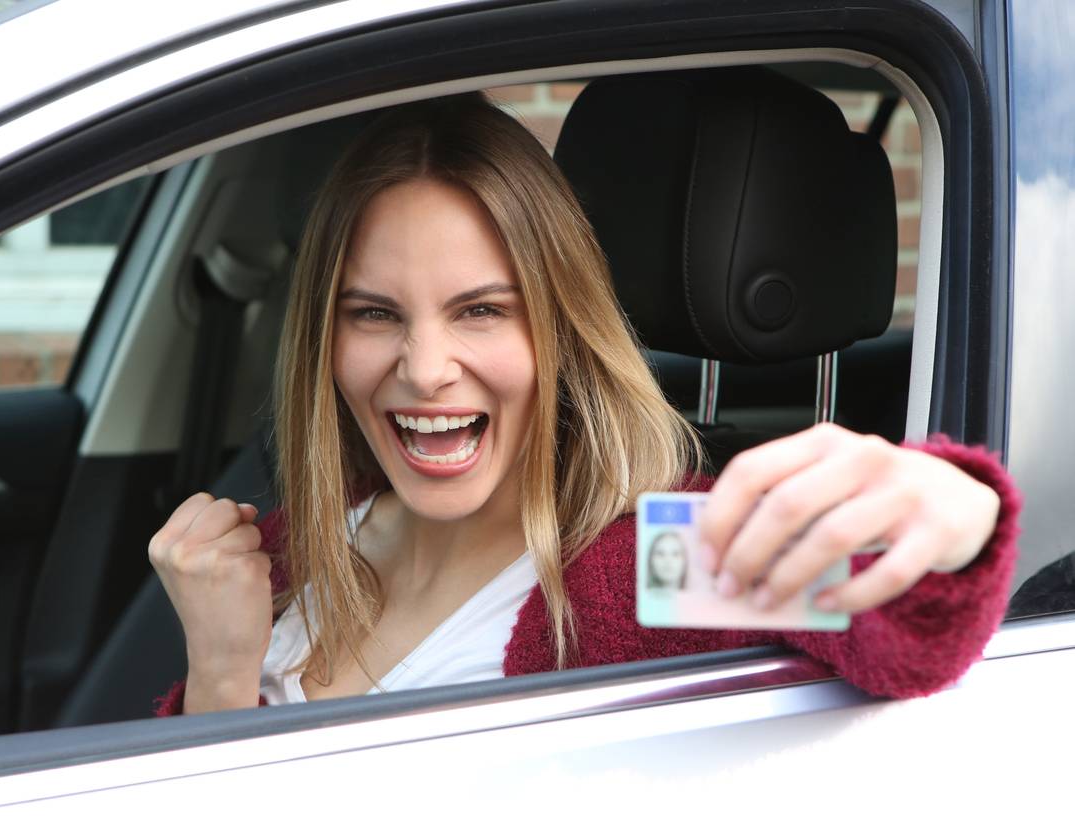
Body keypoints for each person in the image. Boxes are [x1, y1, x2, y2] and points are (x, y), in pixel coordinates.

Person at [151, 94, 1020, 715]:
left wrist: (955, 511)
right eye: (375, 314)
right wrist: (222, 676)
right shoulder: (283, 552)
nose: (423, 369)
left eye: (482, 310)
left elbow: (909, 628)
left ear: (562, 331)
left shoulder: (639, 566)